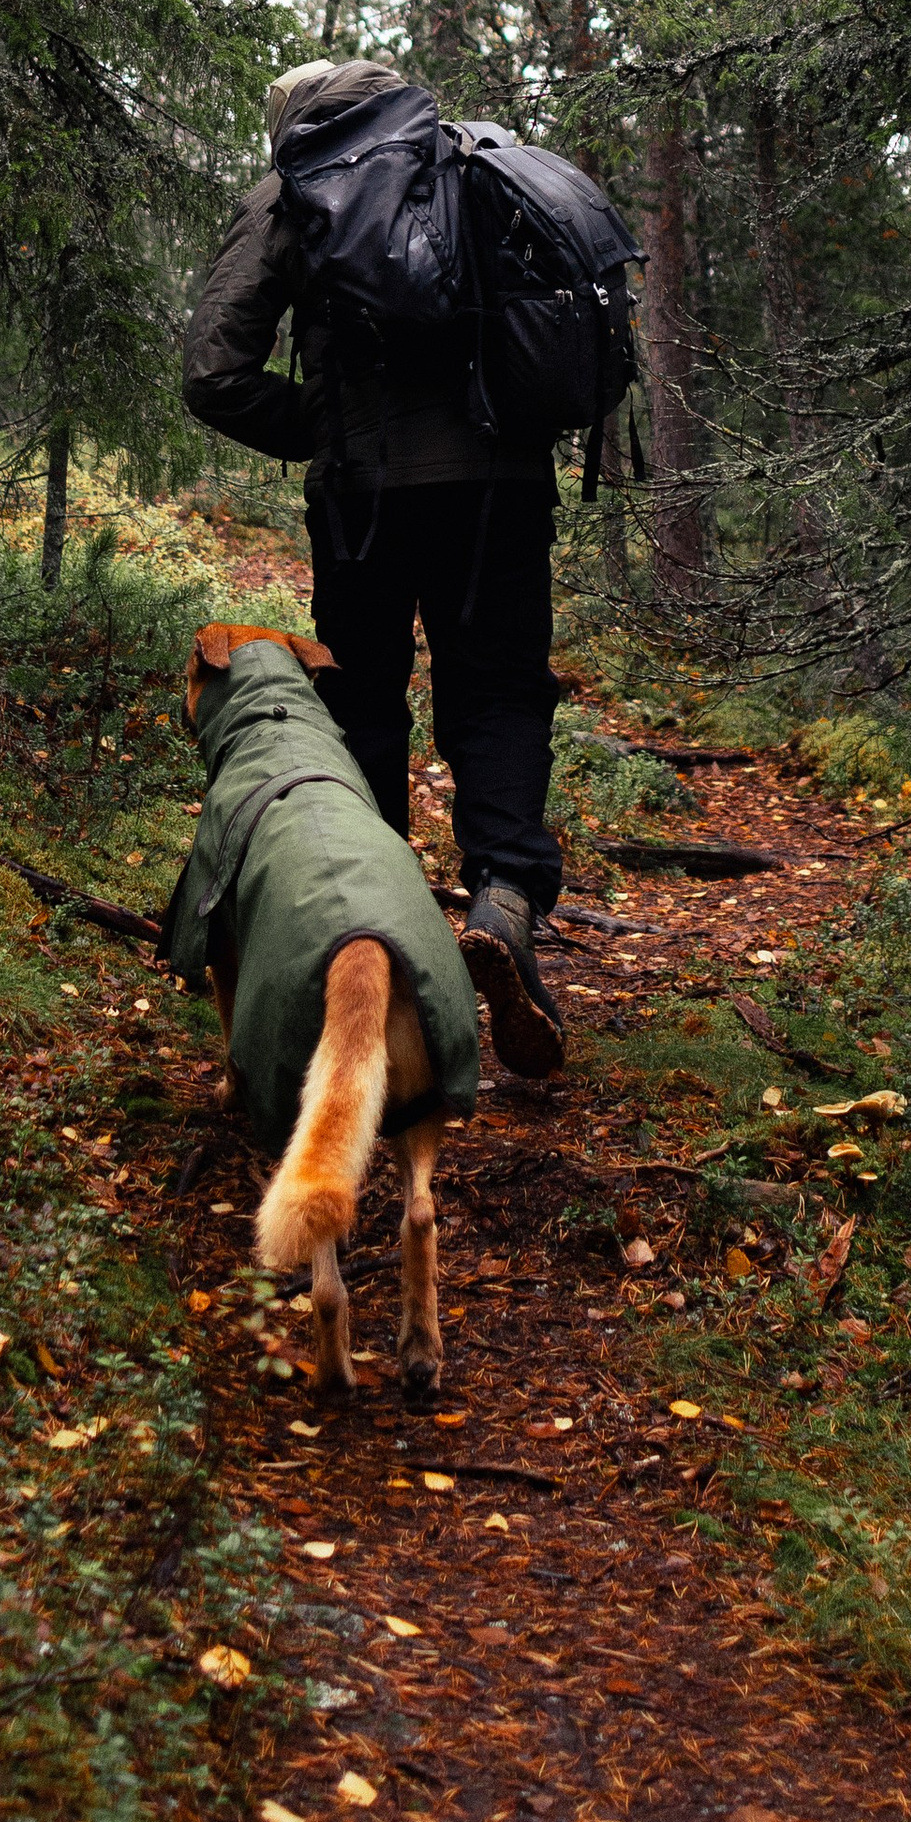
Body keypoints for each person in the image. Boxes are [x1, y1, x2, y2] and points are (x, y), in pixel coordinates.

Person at [179, 56, 567, 1079]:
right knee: (500, 692)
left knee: (362, 704)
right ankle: (505, 899)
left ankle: (379, 935)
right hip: (503, 488)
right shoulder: (474, 164)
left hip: (366, 498)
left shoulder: (290, 189)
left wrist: (326, 427)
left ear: (289, 120)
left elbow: (213, 371)